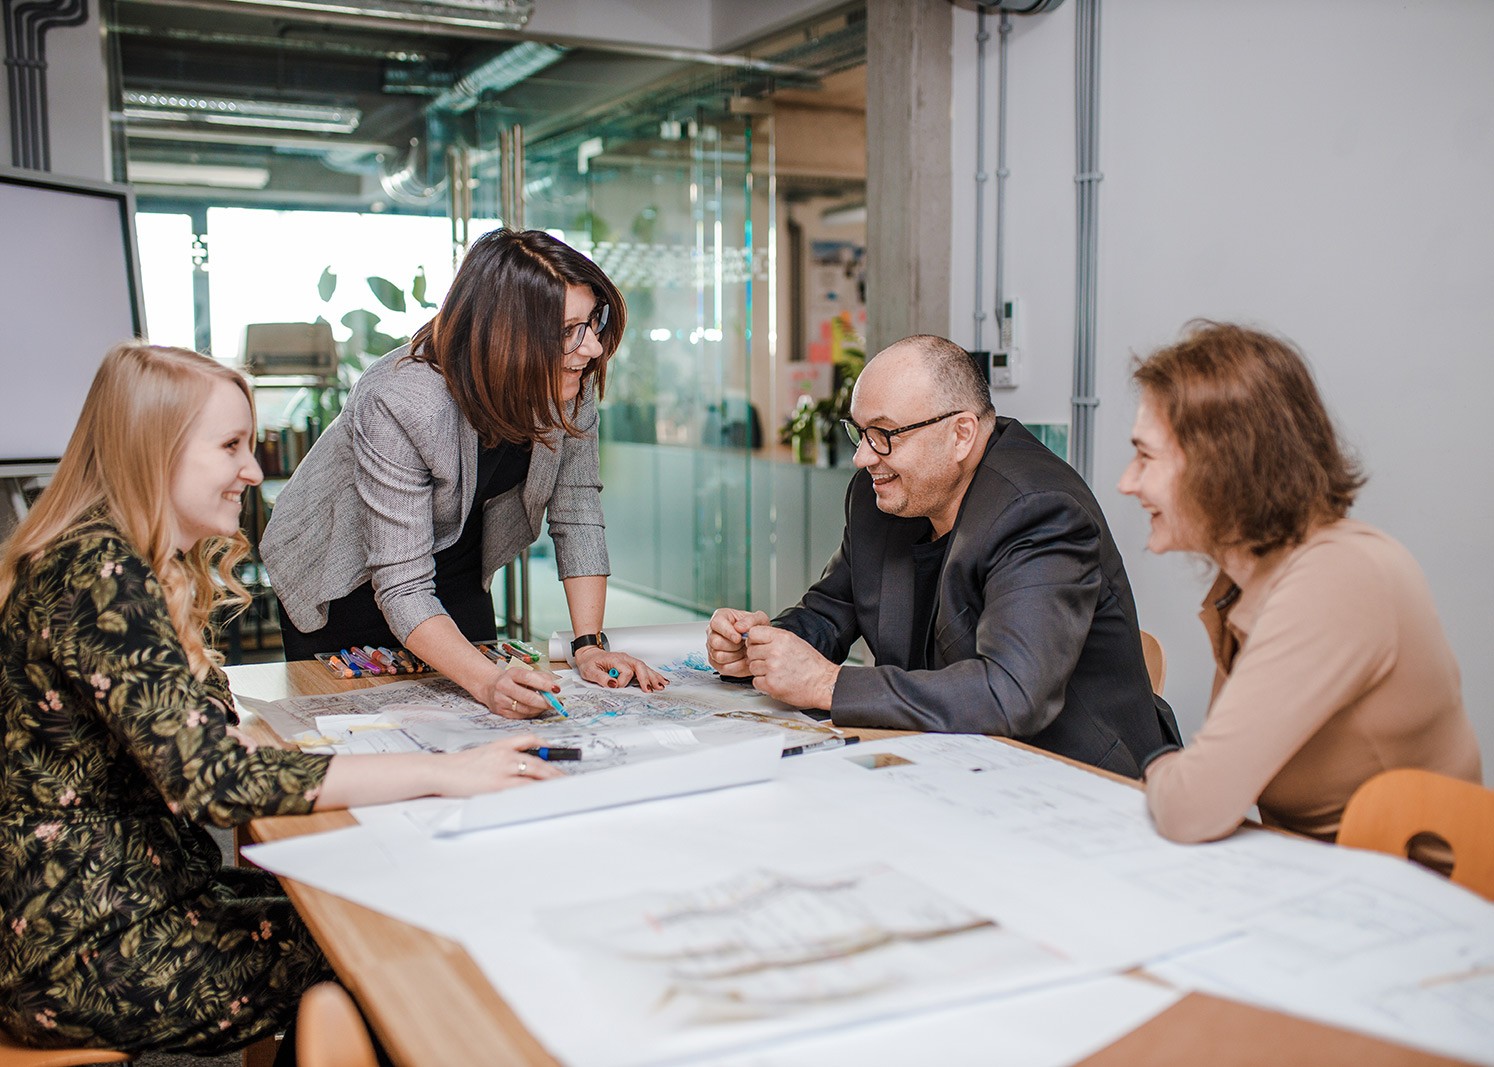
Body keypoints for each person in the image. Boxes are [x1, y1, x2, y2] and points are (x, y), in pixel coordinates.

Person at [0, 343, 560, 1057]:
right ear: (154, 449)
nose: (253, 470)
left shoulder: (114, 557)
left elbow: (196, 735)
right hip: (84, 945)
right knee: (380, 938)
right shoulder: (101, 573)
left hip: (107, 900)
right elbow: (215, 780)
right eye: (230, 446)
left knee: (358, 904)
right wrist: (447, 771)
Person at [707, 335, 1178, 777]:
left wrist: (826, 684)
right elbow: (830, 612)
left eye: (884, 434)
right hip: (943, 760)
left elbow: (1010, 693)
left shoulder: (1038, 509)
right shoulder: (884, 495)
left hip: (1072, 779)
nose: (863, 458)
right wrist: (761, 647)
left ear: (961, 434)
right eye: (861, 433)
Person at [262, 228, 666, 717]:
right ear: (504, 336)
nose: (593, 348)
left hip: (456, 562)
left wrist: (588, 645)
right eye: (568, 331)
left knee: (484, 718)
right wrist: (488, 681)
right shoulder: (402, 398)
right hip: (345, 574)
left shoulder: (566, 379)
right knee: (366, 728)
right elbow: (401, 581)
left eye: (593, 323)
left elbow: (576, 509)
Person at [1118, 321, 1481, 845]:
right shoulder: (1254, 576)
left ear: (1223, 465)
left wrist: (1155, 766)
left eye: (1146, 457)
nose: (1127, 482)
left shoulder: (1336, 579)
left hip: (1402, 888)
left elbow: (1192, 806)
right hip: (1319, 871)